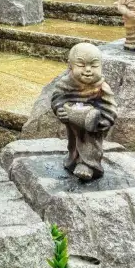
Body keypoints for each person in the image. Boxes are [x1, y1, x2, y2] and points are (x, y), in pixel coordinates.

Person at [50, 43, 118, 181]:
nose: (88, 70)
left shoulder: (101, 87)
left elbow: (110, 108)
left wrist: (99, 121)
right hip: (73, 120)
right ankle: (74, 159)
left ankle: (88, 165)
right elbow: (57, 98)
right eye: (81, 65)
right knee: (74, 141)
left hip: (94, 124)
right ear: (70, 65)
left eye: (94, 66)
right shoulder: (65, 83)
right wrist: (60, 110)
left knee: (89, 138)